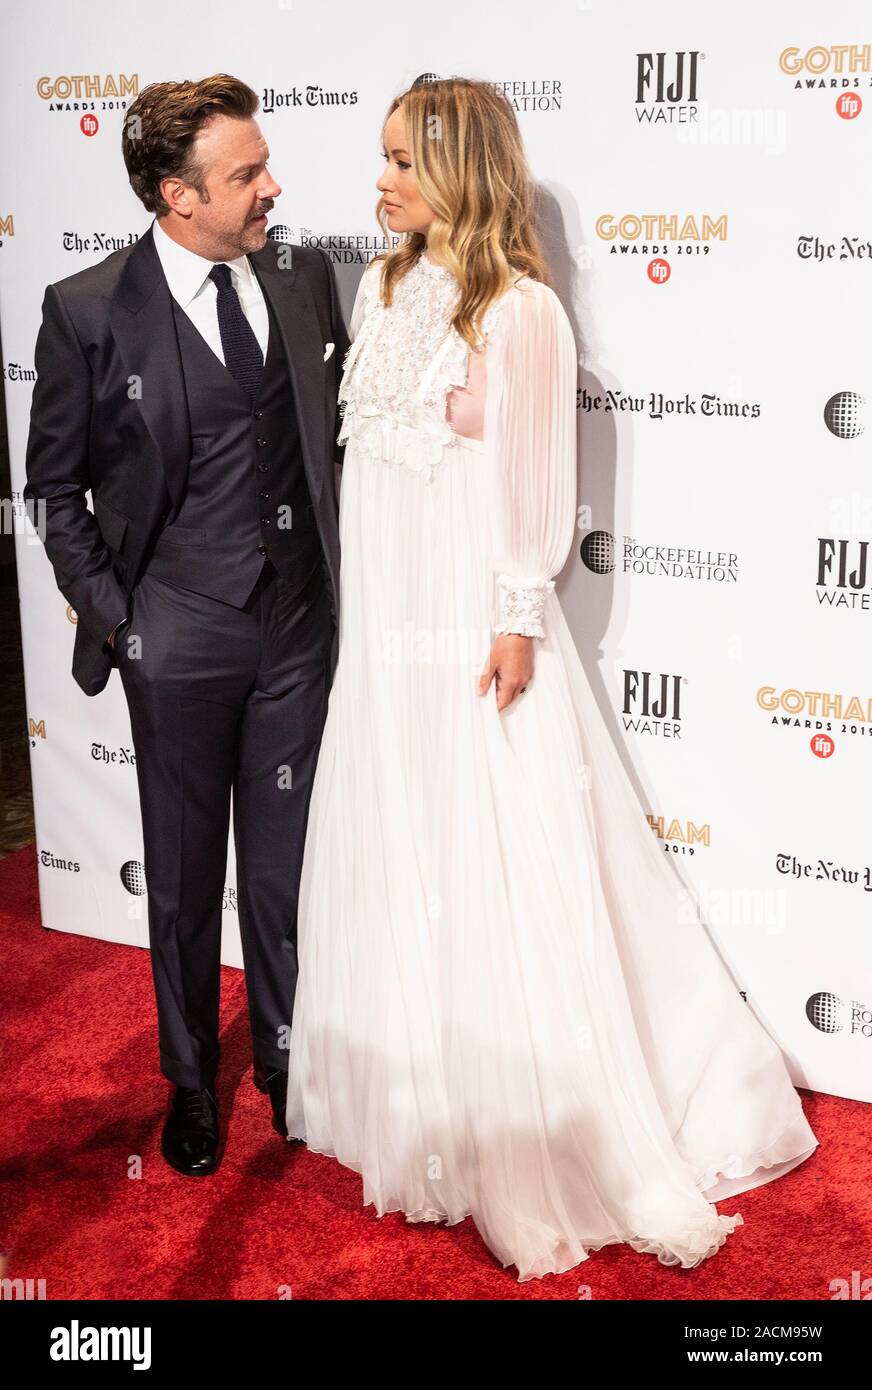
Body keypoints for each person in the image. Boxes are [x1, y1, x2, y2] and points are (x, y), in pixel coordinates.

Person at [283, 76, 819, 1282]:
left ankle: (550, 1125)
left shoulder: (520, 311)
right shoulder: (378, 286)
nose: (379, 182)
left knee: (503, 848)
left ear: (462, 172)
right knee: (405, 837)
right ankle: (422, 1110)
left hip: (472, 623)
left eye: (402, 163)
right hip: (385, 633)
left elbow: (535, 476)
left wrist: (518, 611)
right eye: (379, 158)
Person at [24, 75, 349, 1175]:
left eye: (264, 164)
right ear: (176, 195)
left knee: (283, 869)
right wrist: (124, 627)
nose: (273, 187)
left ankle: (290, 1064)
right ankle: (190, 1082)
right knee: (179, 875)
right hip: (176, 638)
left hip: (297, 630)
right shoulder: (85, 308)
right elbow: (53, 494)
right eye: (246, 174)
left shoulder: (303, 279)